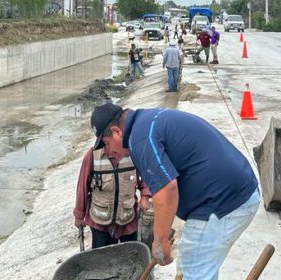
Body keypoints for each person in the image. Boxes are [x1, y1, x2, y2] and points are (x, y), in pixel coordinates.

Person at [90, 104, 259, 279]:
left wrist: (160, 240)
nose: (110, 151)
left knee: (192, 269)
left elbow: (166, 189)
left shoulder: (140, 139)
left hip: (224, 201)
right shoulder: (146, 122)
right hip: (234, 190)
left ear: (117, 131)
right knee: (199, 269)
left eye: (107, 143)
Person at [73, 140, 151, 248]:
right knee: (102, 258)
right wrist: (79, 216)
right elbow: (82, 188)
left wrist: (145, 197)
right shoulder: (93, 155)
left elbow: (146, 178)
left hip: (128, 219)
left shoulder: (133, 153)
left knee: (130, 256)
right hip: (100, 223)